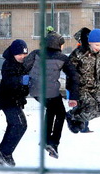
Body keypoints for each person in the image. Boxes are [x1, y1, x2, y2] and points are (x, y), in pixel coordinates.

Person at [24, 30, 79, 159]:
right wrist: (74, 96)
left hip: (35, 91)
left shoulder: (36, 53)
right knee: (60, 113)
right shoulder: (62, 58)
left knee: (51, 110)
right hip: (51, 92)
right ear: (58, 45)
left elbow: (24, 68)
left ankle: (44, 139)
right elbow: (74, 76)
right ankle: (53, 143)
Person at [0, 39, 31, 167]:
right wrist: (21, 80)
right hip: (7, 100)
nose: (22, 57)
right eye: (19, 54)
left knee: (15, 125)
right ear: (14, 53)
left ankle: (2, 154)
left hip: (16, 100)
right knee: (20, 124)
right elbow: (9, 81)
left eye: (24, 55)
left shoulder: (22, 64)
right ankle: (4, 153)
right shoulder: (8, 64)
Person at [69, 28, 100, 134]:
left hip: (95, 87)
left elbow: (98, 68)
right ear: (90, 42)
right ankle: (73, 117)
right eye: (97, 45)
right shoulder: (79, 53)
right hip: (81, 88)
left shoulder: (99, 55)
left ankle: (76, 117)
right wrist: (73, 90)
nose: (99, 48)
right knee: (91, 107)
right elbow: (69, 70)